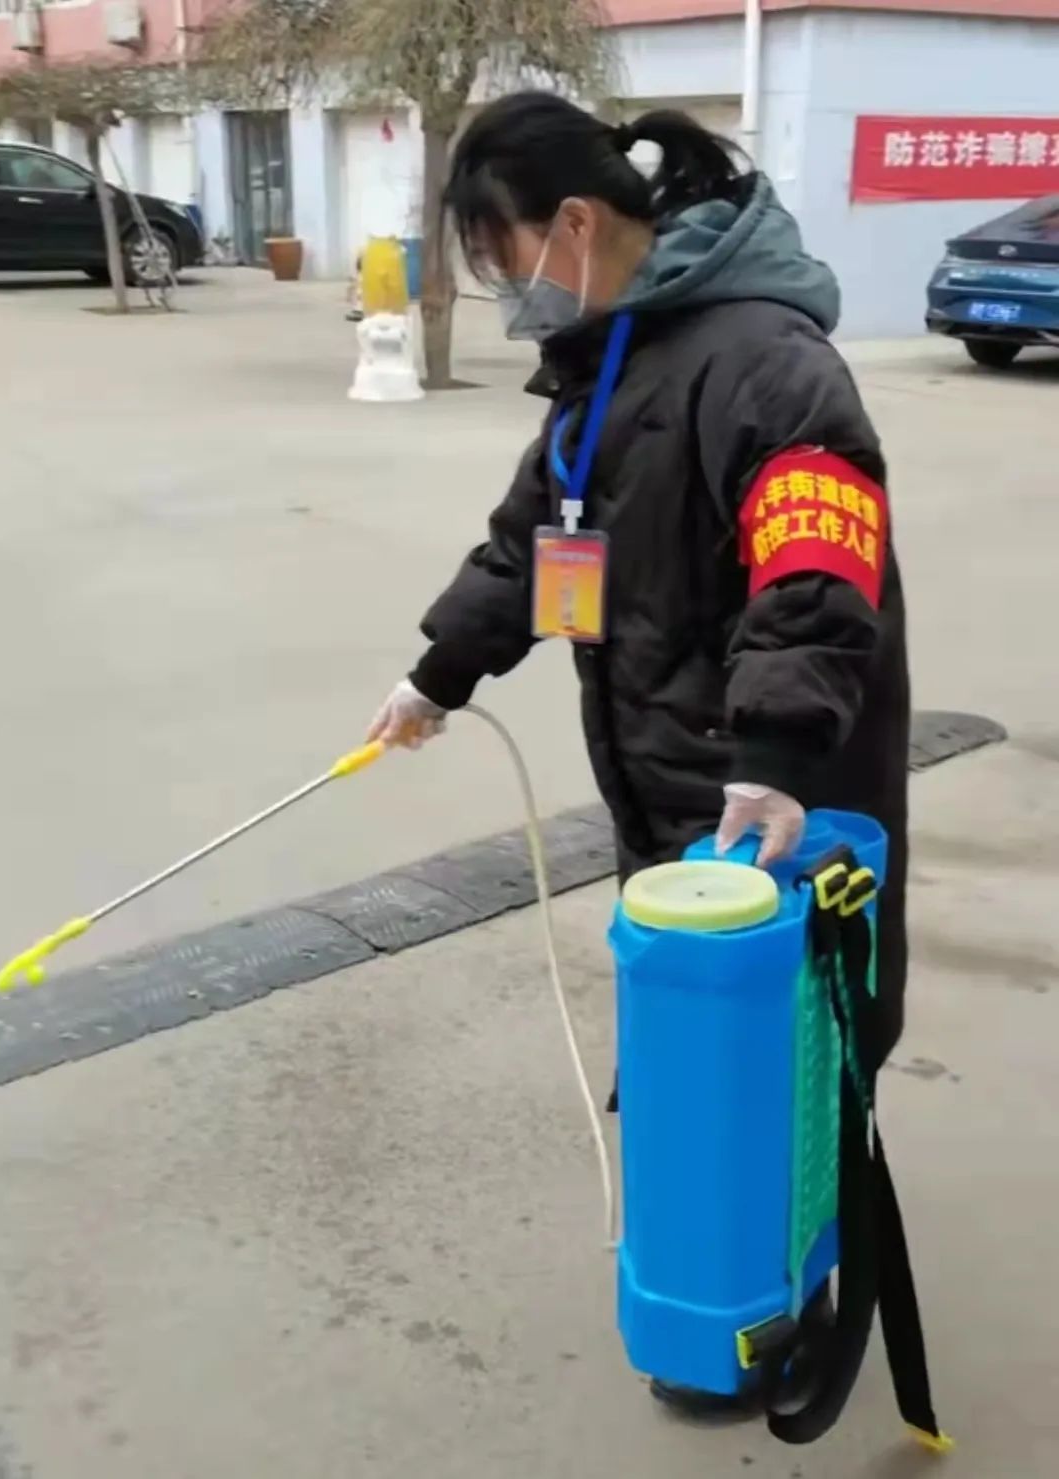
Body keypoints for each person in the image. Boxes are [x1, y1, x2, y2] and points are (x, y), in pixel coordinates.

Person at [368, 92, 910, 1400]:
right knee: (699, 1049)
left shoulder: (766, 362)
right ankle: (714, 1283)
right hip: (671, 780)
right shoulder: (606, 366)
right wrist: (439, 674)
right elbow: (535, 547)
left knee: (788, 1055)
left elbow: (817, 571)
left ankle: (774, 1312)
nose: (504, 286)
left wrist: (777, 754)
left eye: (501, 253)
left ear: (573, 223)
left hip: (777, 789)